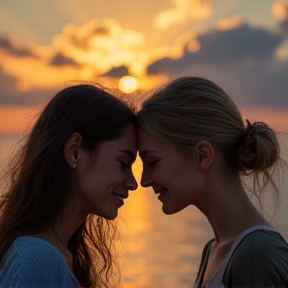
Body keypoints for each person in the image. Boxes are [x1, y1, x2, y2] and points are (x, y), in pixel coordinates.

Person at [137, 76, 288, 287]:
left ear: (202, 156)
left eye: (152, 162)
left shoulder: (256, 254)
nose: (144, 180)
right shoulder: (213, 250)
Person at [0, 84, 138, 288]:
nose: (133, 183)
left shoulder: (60, 257)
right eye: (123, 163)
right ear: (74, 152)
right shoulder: (37, 259)